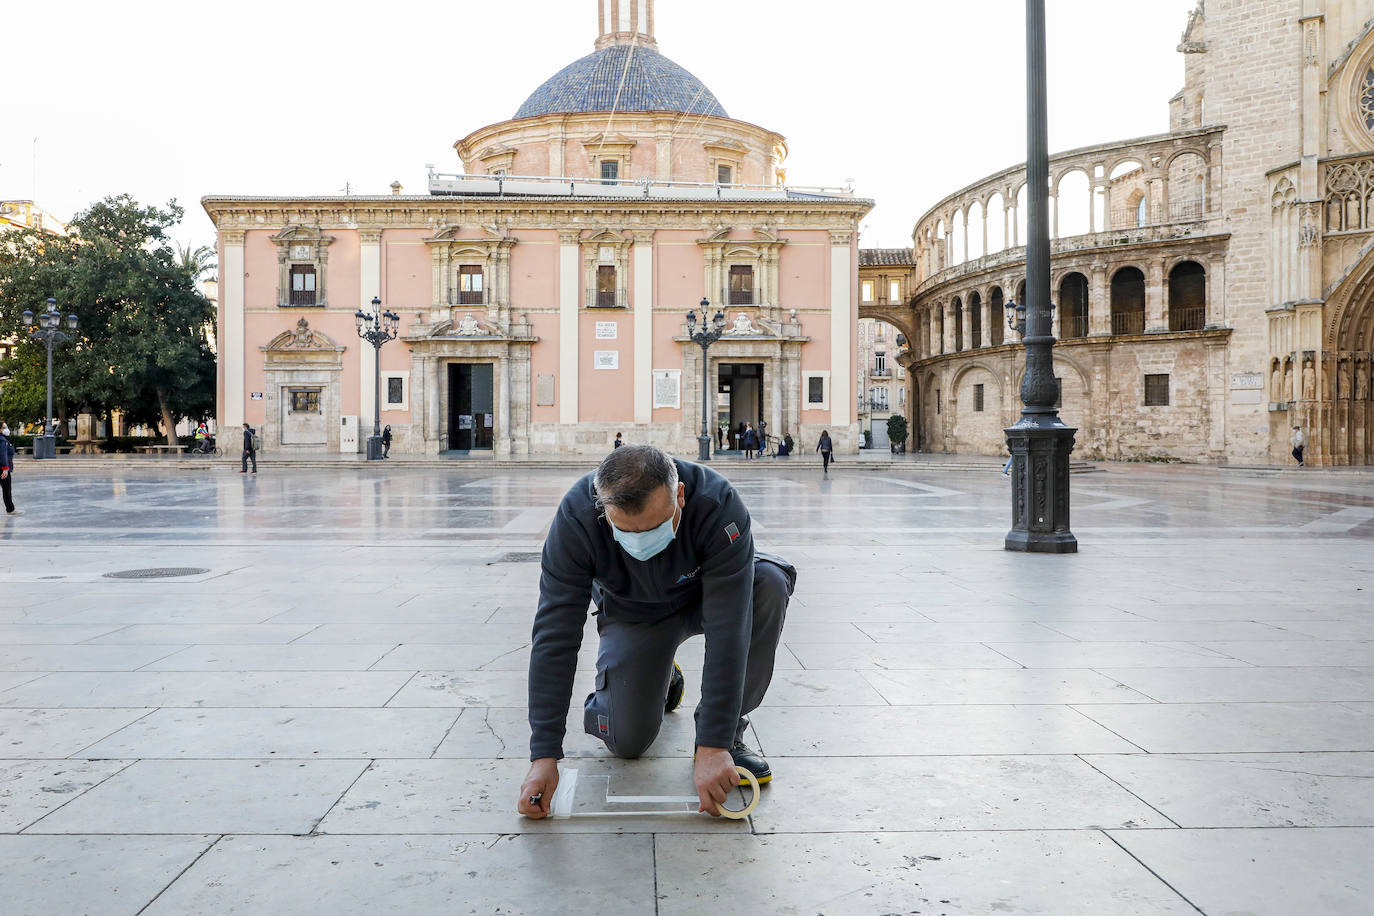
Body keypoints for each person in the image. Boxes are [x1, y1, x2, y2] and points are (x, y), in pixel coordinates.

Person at [517, 445, 795, 820]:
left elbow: (729, 631)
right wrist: (544, 753)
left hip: (706, 597)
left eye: (653, 528)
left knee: (769, 585)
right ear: (603, 507)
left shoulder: (718, 504)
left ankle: (730, 732)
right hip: (635, 614)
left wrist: (713, 745)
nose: (640, 543)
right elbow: (555, 635)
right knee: (626, 742)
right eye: (625, 531)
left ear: (680, 495)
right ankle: (661, 677)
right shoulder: (577, 518)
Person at [0, 423, 19, 517]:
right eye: (4, 427)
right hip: (2, 469)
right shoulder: (2, 440)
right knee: (6, 489)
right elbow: (3, 455)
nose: (6, 429)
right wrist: (5, 469)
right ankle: (10, 509)